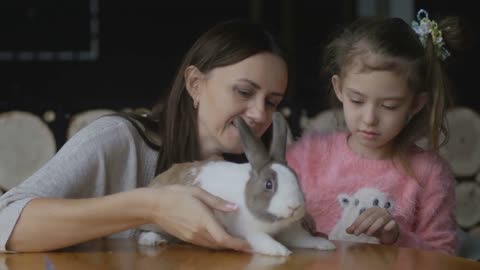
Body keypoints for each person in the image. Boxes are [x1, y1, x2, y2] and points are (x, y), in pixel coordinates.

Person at [0, 19, 288, 252]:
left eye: (272, 102)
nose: (260, 114)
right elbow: (6, 222)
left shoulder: (262, 173)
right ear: (195, 84)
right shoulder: (118, 139)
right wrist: (151, 207)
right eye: (244, 92)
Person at [286, 10, 471, 255]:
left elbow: (442, 257)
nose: (370, 118)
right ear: (339, 88)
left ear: (415, 104)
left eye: (389, 106)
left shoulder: (428, 174)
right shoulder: (308, 155)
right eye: (357, 100)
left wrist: (396, 237)